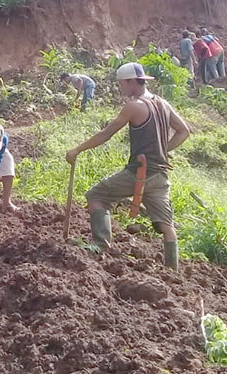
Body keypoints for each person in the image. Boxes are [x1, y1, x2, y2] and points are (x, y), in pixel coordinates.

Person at [65, 63, 190, 270]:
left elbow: (107, 133)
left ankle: (100, 245)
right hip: (160, 174)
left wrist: (77, 149)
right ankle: (173, 271)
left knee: (96, 196)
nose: (121, 88)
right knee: (167, 226)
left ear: (132, 82)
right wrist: (162, 150)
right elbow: (184, 131)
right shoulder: (162, 103)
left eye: (122, 84)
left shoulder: (134, 106)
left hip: (138, 172)